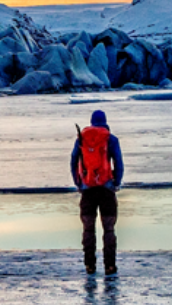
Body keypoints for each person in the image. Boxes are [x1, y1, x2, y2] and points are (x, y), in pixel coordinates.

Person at [71, 110, 124, 276]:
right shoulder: (111, 139)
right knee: (109, 229)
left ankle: (90, 266)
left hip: (87, 190)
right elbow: (119, 163)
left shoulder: (81, 138)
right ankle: (109, 266)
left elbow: (73, 161)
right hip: (107, 189)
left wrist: (78, 182)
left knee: (88, 229)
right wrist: (116, 183)